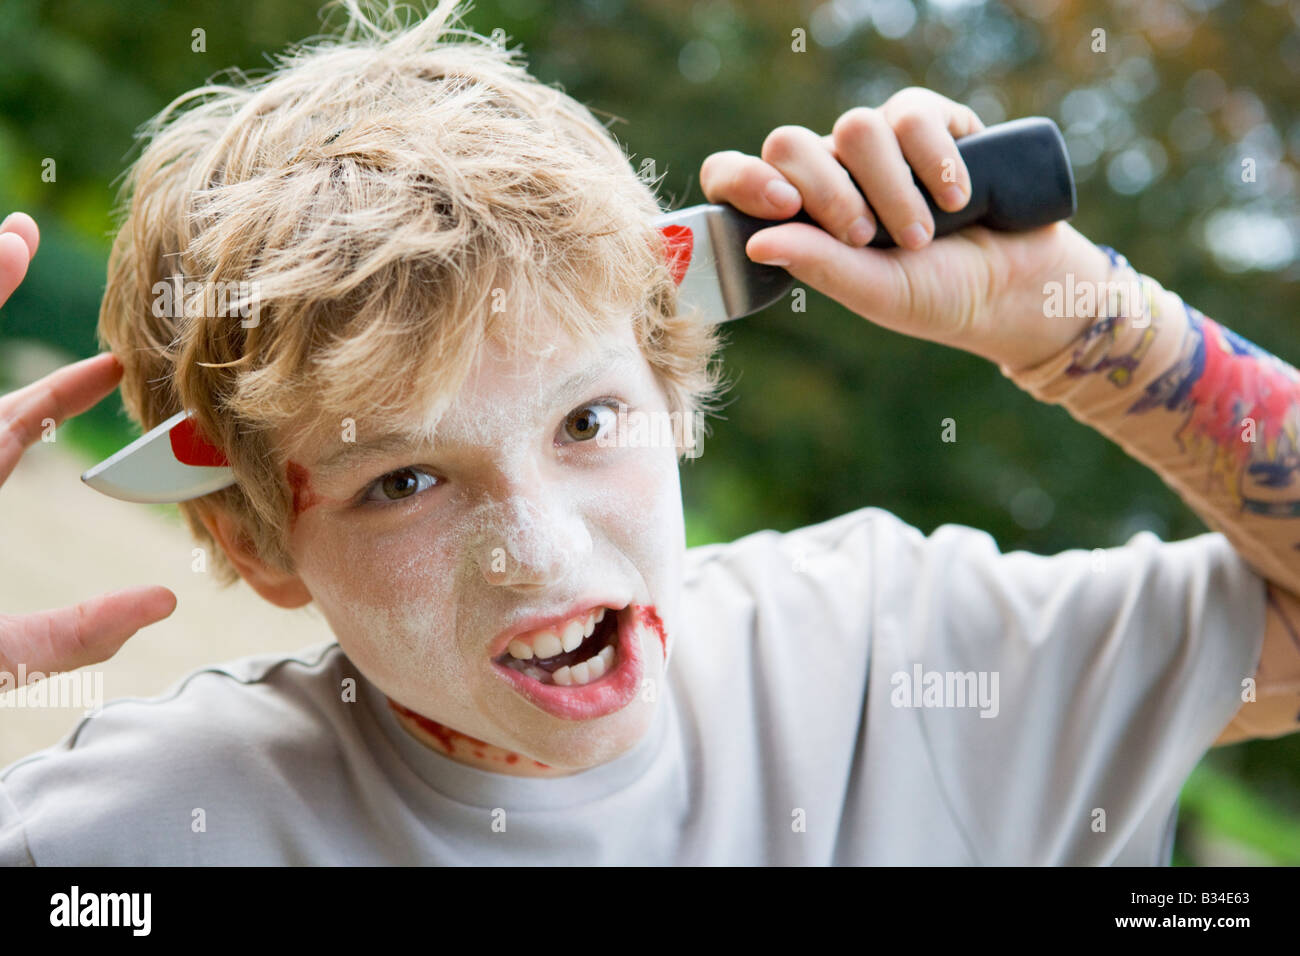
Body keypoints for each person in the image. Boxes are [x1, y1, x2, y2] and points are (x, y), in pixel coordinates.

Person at [1, 0, 1297, 865]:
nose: (540, 555)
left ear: (672, 394)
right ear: (255, 535)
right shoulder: (150, 828)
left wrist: (1073, 320)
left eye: (587, 418)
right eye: (402, 478)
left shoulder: (887, 654)